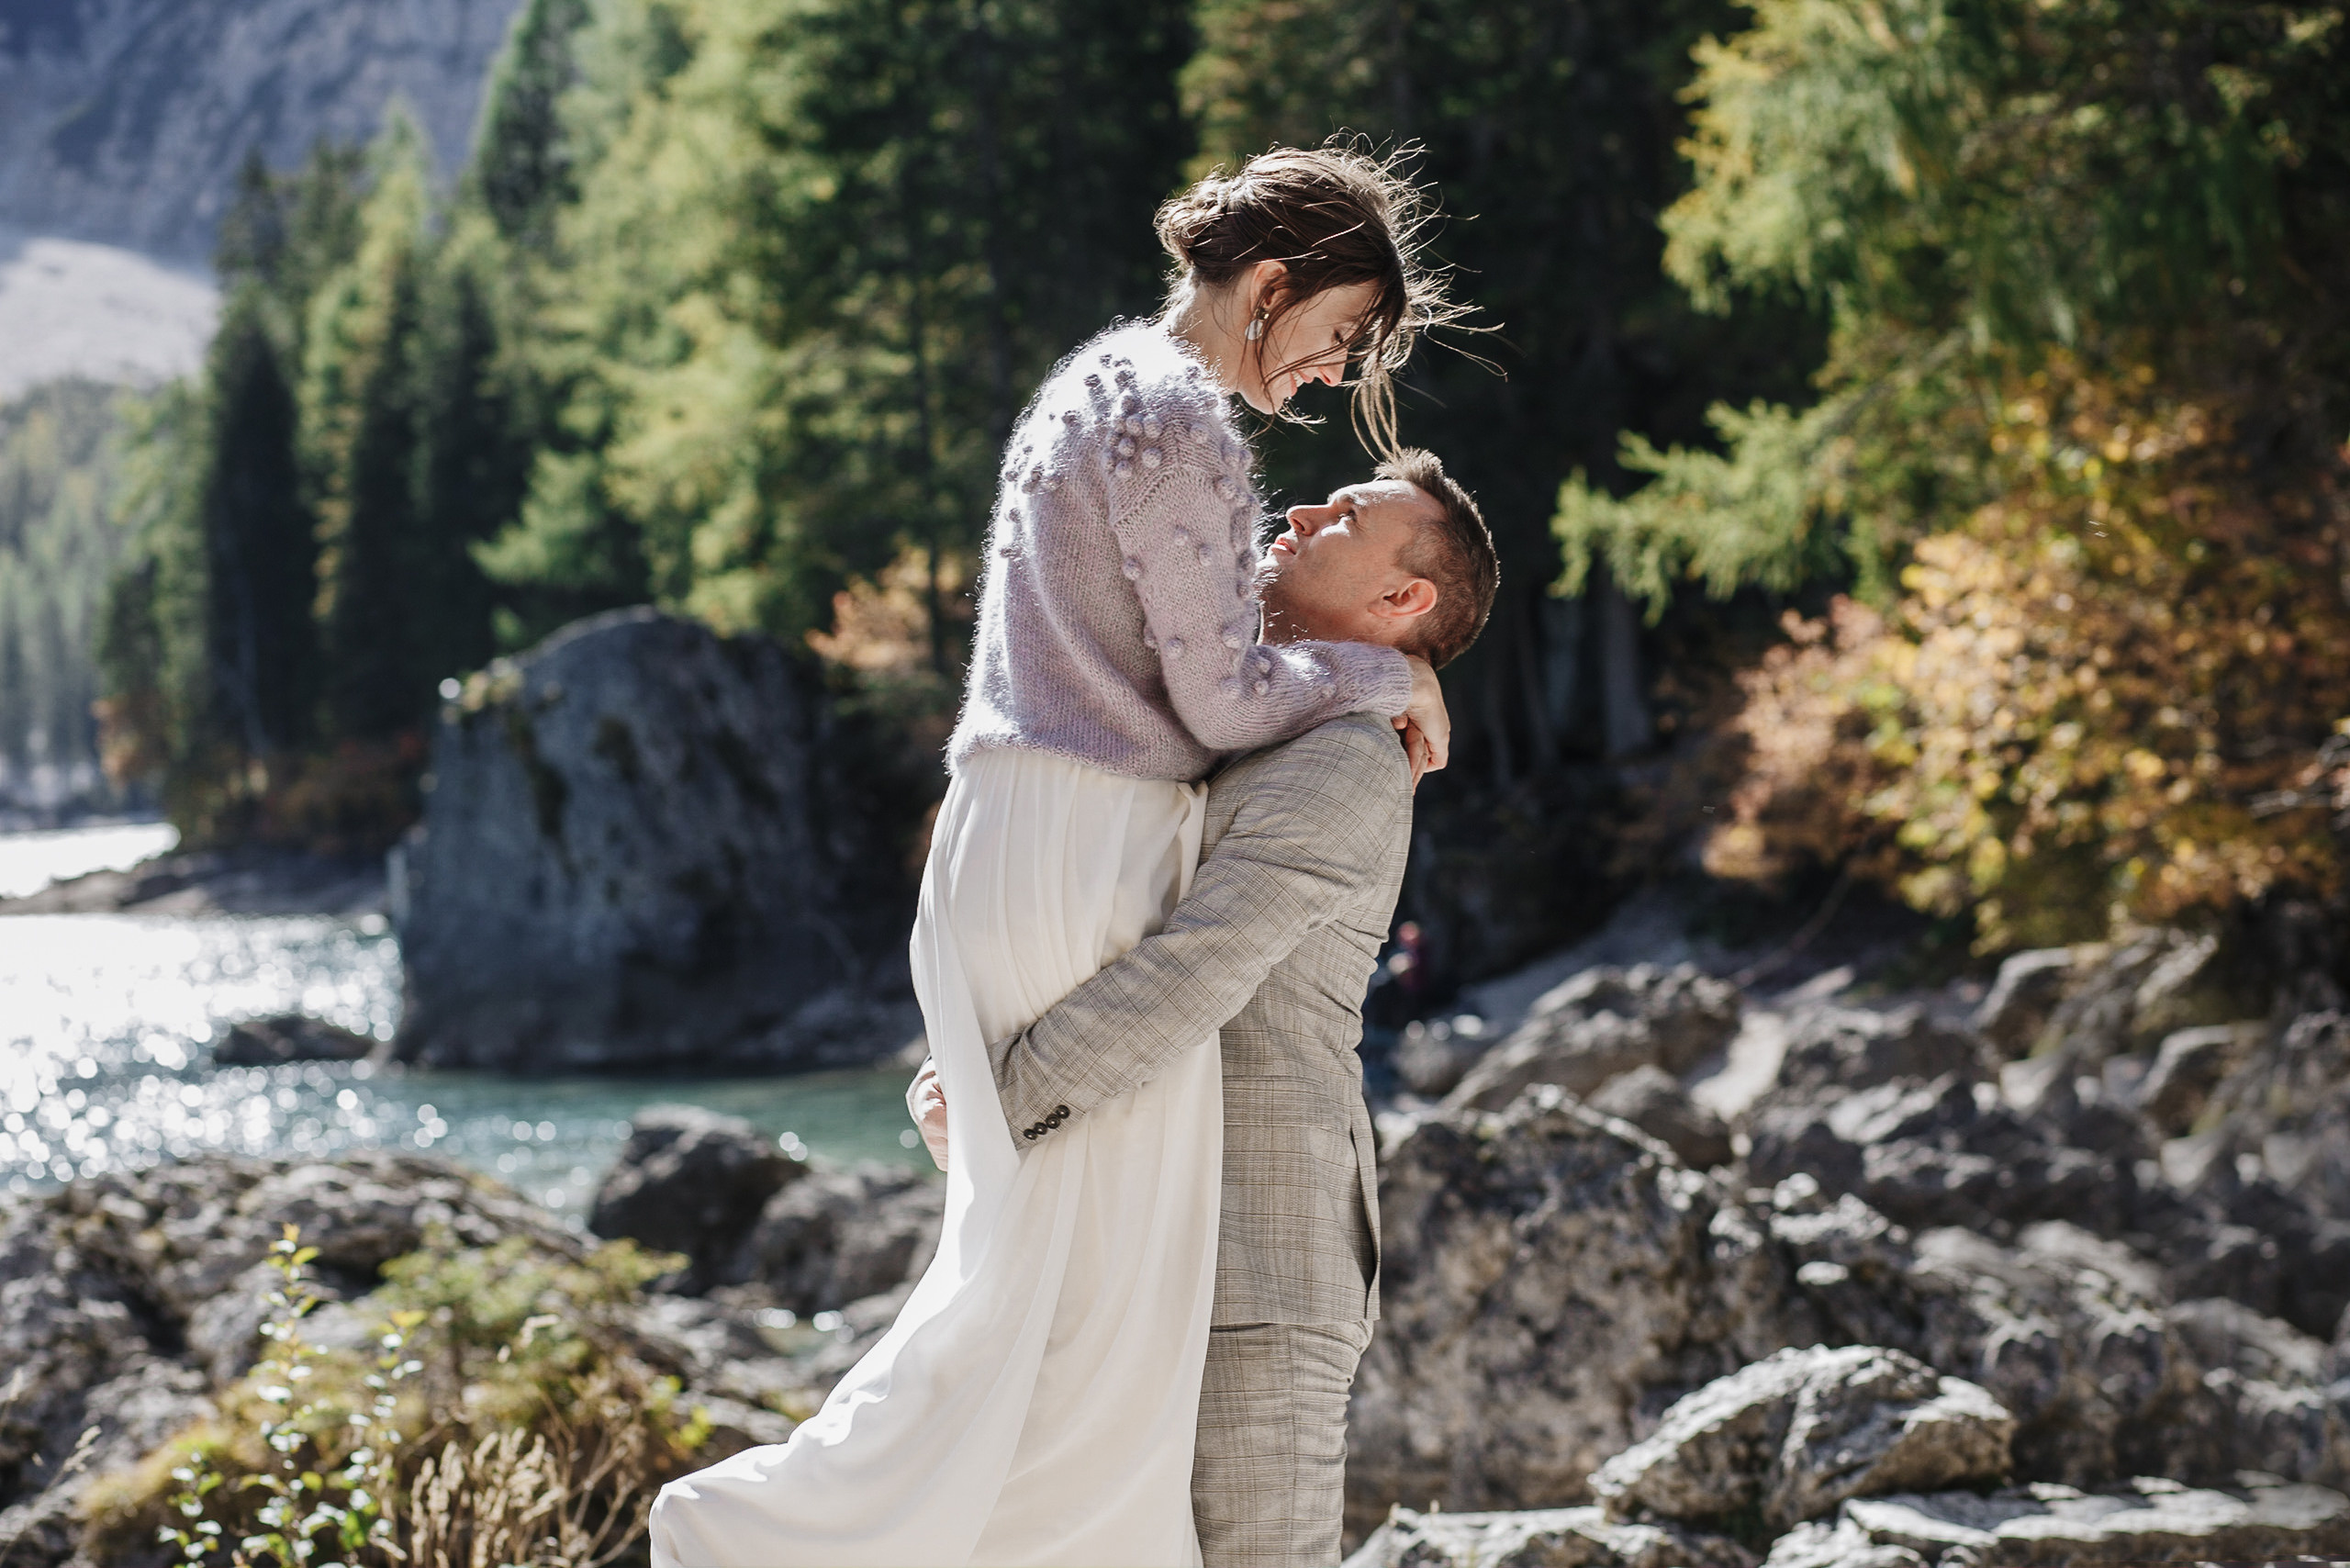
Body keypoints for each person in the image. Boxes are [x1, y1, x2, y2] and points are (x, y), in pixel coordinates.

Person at [649, 142, 1460, 1567]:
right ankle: (765, 1530)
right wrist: (1381, 681)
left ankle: (787, 1527)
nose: (1331, 379)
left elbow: (1202, 703)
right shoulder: (1184, 420)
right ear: (1270, 287)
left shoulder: (1097, 384)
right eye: (1336, 336)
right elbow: (1217, 704)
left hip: (1015, 838)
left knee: (1036, 1308)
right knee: (1076, 1350)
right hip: (1079, 838)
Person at [953, 450, 1498, 1565]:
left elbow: (1192, 972)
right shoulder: (1255, 725)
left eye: (1345, 515)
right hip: (1153, 1236)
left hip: (1256, 1269)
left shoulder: (1344, 762)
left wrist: (991, 1100)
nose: (1299, 509)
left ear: (1404, 600)